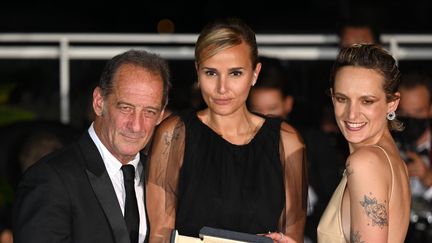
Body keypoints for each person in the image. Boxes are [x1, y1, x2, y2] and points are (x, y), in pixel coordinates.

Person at [146, 17, 308, 243]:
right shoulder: (174, 133)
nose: (222, 89)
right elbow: (159, 235)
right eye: (211, 73)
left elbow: (293, 236)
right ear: (197, 71)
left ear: (254, 73)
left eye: (235, 73)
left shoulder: (286, 140)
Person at [12, 49, 171, 243]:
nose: (136, 125)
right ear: (98, 102)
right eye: (126, 108)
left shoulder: (164, 181)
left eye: (149, 112)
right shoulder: (49, 179)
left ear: (161, 114)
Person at [317, 43, 411, 243]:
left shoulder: (365, 162)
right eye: (342, 99)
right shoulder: (390, 159)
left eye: (367, 101)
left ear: (392, 103)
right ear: (333, 97)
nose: (351, 114)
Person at [393, 72, 432, 242]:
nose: (410, 121)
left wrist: (428, 180)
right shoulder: (383, 146)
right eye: (404, 113)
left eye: (417, 112)